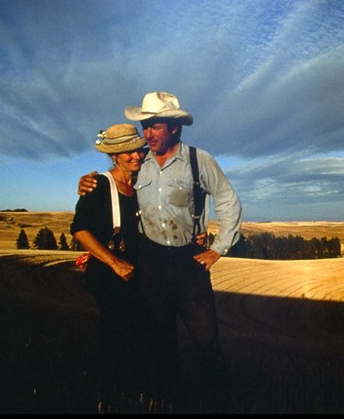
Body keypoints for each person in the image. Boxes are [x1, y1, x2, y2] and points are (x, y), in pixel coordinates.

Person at [78, 91, 243, 403]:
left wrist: (218, 247)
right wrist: (87, 181)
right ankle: (169, 399)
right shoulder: (140, 163)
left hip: (189, 261)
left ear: (174, 129)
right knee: (158, 337)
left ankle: (218, 401)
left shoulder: (199, 160)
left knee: (206, 339)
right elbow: (113, 179)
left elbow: (227, 199)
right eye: (146, 126)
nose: (148, 134)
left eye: (155, 126)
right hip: (150, 260)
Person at [70, 123, 148, 407]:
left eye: (138, 150)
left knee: (137, 329)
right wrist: (114, 262)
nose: (135, 156)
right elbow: (79, 229)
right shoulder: (99, 184)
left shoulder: (143, 184)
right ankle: (108, 392)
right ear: (114, 156)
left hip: (137, 272)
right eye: (127, 152)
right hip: (108, 271)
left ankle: (129, 390)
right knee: (116, 327)